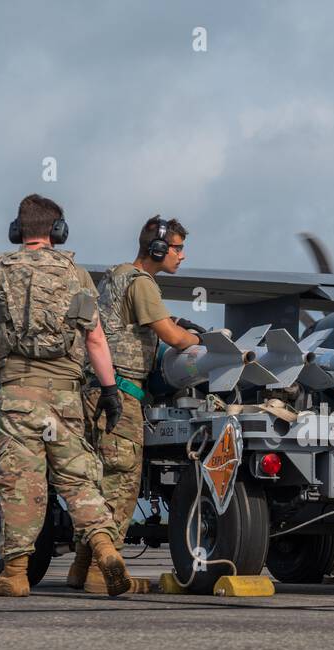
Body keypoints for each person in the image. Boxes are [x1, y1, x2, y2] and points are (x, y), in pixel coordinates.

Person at [0, 193, 133, 597]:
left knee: (21, 483)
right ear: (58, 231)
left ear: (18, 231)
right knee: (79, 480)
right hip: (65, 400)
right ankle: (105, 549)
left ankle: (15, 575)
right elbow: (95, 340)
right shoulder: (77, 275)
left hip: (18, 397)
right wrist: (109, 390)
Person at [66, 215, 205, 593]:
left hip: (95, 390)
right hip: (122, 393)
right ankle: (101, 574)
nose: (182, 255)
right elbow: (171, 337)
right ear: (157, 249)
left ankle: (81, 567)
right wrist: (199, 339)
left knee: (97, 481)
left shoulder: (114, 277)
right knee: (120, 482)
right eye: (177, 248)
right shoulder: (142, 284)